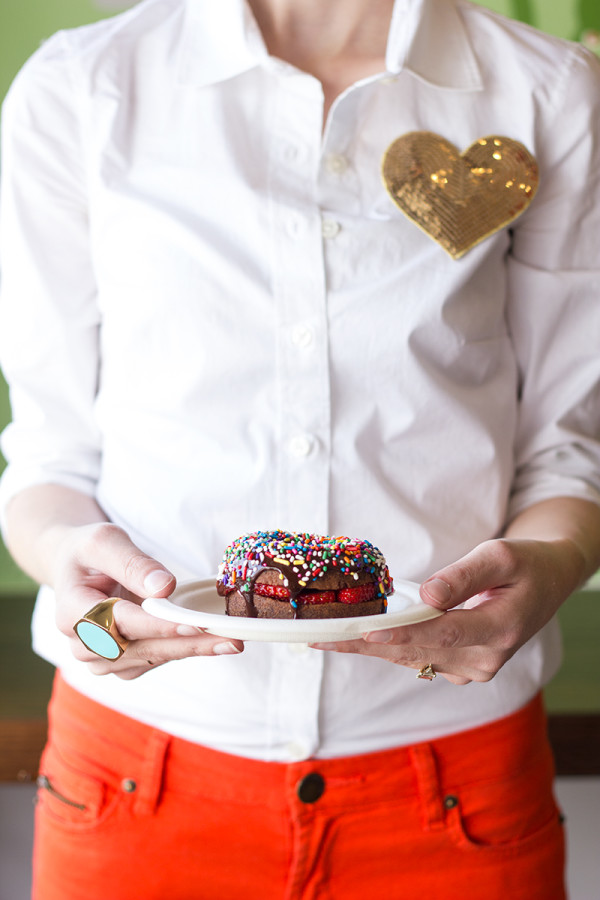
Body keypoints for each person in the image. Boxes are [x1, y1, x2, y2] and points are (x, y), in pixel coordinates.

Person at [1, 0, 599, 897]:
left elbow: (569, 453)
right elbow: (48, 465)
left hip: (452, 785)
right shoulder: (82, 87)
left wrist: (554, 566)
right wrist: (83, 600)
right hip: (137, 777)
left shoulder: (548, 92)